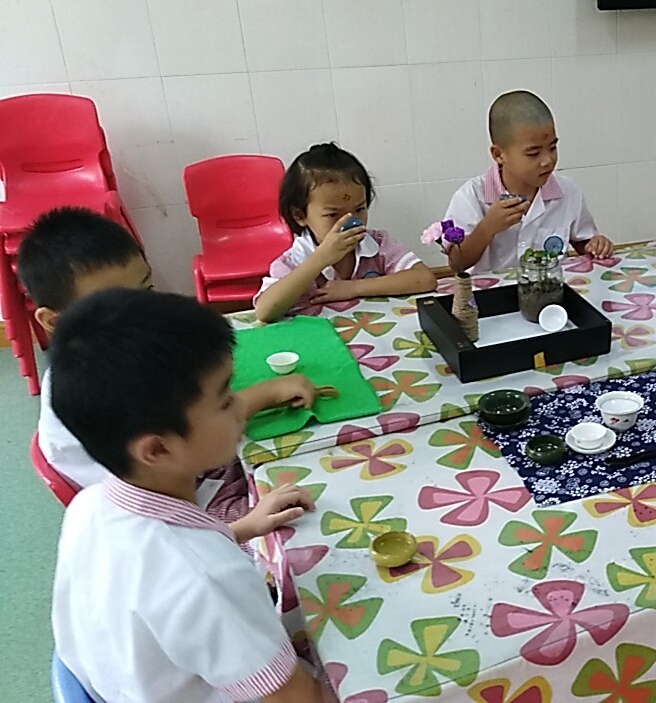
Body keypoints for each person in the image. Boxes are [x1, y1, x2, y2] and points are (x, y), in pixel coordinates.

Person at [50, 288, 330, 702]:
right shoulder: (206, 579)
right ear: (157, 450)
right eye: (225, 401)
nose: (240, 407)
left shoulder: (89, 506)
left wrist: (238, 530)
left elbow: (158, 575)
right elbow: (297, 699)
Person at [18, 208, 316, 523]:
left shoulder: (104, 357)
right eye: (113, 306)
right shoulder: (106, 383)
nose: (145, 312)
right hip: (179, 511)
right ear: (54, 321)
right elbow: (194, 435)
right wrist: (268, 393)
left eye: (146, 291)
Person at [254, 143, 435, 322]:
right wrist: (320, 258)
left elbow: (425, 279)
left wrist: (353, 288)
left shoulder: (379, 244)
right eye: (333, 215)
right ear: (299, 215)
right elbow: (265, 311)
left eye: (359, 209)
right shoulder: (292, 261)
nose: (351, 222)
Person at [442, 90, 614, 273]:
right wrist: (487, 228)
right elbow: (456, 264)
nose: (547, 161)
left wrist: (595, 245)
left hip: (550, 286)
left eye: (552, 148)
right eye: (533, 153)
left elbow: (582, 241)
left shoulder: (568, 191)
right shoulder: (471, 196)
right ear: (499, 155)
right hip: (492, 290)